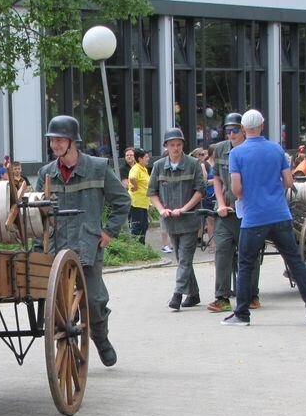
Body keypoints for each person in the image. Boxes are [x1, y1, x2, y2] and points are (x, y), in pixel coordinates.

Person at [36, 115, 130, 365]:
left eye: (59, 140)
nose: (54, 145)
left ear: (72, 141)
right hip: (56, 250)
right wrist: (38, 248)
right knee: (61, 306)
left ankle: (100, 337)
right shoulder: (46, 173)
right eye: (52, 140)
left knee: (95, 301)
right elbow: (37, 215)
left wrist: (109, 231)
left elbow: (122, 201)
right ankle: (70, 349)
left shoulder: (98, 167)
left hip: (88, 247)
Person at [221, 110, 306, 326]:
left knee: (246, 263)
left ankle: (242, 313)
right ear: (262, 126)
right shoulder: (276, 149)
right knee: (295, 260)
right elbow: (288, 181)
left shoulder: (237, 154)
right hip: (279, 214)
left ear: (242, 129)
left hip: (254, 216)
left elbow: (236, 189)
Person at [148, 127, 205, 311]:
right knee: (182, 258)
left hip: (189, 220)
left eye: (179, 145)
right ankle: (194, 294)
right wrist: (162, 209)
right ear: (166, 146)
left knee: (185, 259)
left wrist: (184, 208)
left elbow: (200, 191)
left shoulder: (193, 164)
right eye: (172, 145)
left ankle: (177, 295)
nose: (176, 148)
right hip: (171, 222)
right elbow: (152, 192)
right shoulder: (158, 166)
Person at [210, 112, 260, 312]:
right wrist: (220, 203)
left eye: (235, 130)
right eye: (228, 130)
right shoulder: (221, 150)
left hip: (248, 212)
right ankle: (221, 297)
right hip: (225, 212)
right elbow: (216, 179)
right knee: (222, 251)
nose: (231, 134)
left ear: (244, 130)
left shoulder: (252, 150)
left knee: (249, 253)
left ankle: (251, 294)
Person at [127, 149, 151, 243]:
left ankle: (142, 246)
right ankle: (136, 247)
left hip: (143, 202)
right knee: (137, 226)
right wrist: (135, 186)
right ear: (140, 159)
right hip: (136, 202)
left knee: (144, 225)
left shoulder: (143, 168)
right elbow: (132, 177)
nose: (148, 159)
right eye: (146, 157)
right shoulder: (136, 168)